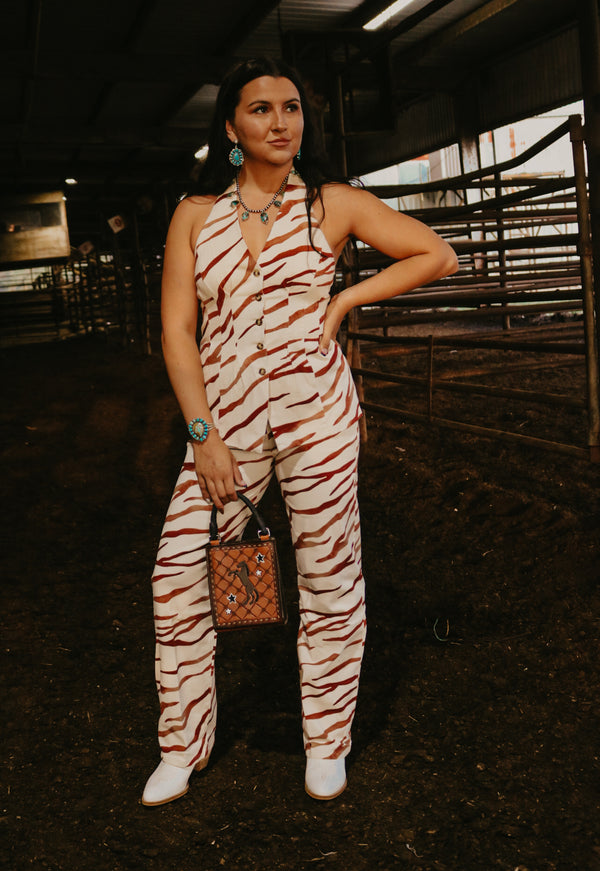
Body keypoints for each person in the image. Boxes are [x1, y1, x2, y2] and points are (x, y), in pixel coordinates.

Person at [142, 57, 458, 807]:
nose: (280, 122)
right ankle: (182, 746)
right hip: (224, 426)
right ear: (231, 127)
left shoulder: (332, 204)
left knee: (328, 575)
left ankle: (326, 742)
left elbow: (436, 253)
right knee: (178, 576)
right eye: (261, 109)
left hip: (317, 418)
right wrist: (202, 435)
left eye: (291, 108)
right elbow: (178, 331)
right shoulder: (195, 215)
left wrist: (345, 300)